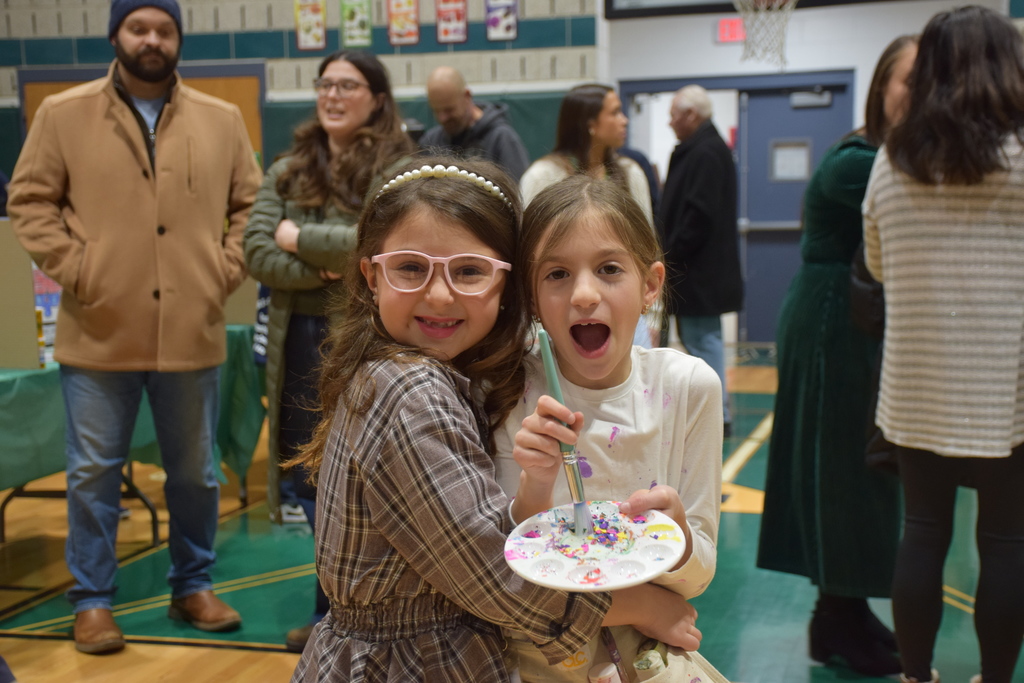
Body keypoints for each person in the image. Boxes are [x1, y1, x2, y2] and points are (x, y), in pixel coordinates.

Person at [288, 155, 703, 682]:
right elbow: (493, 575)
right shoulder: (409, 391)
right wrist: (642, 605)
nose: (439, 294)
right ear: (372, 275)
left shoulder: (429, 377)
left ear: (506, 286)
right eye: (411, 268)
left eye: (469, 271)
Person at [6, 0, 261, 654]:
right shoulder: (64, 113)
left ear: (178, 39)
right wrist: (80, 269)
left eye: (164, 29)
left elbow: (250, 206)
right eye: (139, 27)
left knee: (195, 473)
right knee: (93, 472)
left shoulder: (222, 118)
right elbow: (29, 203)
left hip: (192, 330)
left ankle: (192, 584)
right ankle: (92, 601)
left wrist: (220, 270)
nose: (152, 39)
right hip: (97, 333)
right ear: (115, 35)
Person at [495, 175, 722, 681]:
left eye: (609, 269)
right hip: (538, 655)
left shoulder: (689, 387)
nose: (582, 294)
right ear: (530, 297)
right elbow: (510, 583)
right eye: (556, 274)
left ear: (650, 286)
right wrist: (534, 484)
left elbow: (699, 574)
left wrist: (680, 533)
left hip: (647, 652)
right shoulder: (509, 392)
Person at [863, 8, 1024, 683]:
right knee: (1007, 541)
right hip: (1008, 389)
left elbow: (875, 264)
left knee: (923, 533)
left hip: (918, 384)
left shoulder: (891, 160)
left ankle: (918, 675)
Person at [755, 34, 918, 678]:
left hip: (855, 319)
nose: (922, 92)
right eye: (909, 80)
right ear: (882, 88)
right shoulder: (863, 162)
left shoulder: (889, 154)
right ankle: (837, 616)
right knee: (838, 469)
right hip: (832, 321)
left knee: (854, 470)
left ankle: (842, 614)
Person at [243, 49, 414, 654]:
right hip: (299, 343)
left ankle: (370, 612)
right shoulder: (287, 170)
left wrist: (300, 239)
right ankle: (330, 612)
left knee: (365, 477)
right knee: (314, 485)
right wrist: (329, 264)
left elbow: (383, 245)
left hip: (366, 343)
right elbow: (256, 252)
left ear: (376, 97)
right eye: (325, 84)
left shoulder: (398, 164)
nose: (333, 95)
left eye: (348, 85)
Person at [520, 83, 658, 348]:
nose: (624, 120)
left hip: (625, 315)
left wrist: (652, 317)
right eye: (615, 112)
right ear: (590, 124)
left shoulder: (631, 173)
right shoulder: (542, 176)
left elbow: (648, 249)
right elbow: (529, 258)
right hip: (558, 319)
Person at [658, 85, 742, 433]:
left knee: (703, 340)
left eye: (674, 114)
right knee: (699, 339)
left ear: (691, 115)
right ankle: (712, 412)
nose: (669, 122)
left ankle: (716, 415)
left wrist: (672, 255)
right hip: (697, 269)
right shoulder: (703, 148)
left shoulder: (705, 152)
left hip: (699, 270)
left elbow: (699, 215)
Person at [419, 66, 531, 180]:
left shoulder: (501, 138)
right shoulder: (431, 141)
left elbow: (516, 190)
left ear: (467, 96)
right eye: (436, 110)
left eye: (449, 110)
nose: (442, 118)